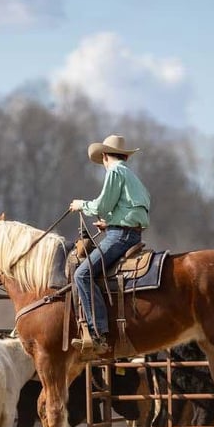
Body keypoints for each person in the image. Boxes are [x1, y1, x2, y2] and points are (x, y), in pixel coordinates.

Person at [68, 134, 151, 354]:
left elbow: (101, 205)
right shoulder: (132, 176)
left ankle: (98, 334)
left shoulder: (114, 171)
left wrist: (80, 205)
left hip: (120, 237)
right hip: (131, 234)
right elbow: (133, 210)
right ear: (124, 155)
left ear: (105, 156)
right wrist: (110, 223)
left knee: (81, 275)